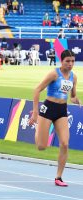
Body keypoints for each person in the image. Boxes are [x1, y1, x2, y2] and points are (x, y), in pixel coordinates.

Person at [29, 50, 80, 187]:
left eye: (72, 61)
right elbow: (36, 90)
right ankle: (38, 128)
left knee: (65, 143)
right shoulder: (54, 74)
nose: (70, 64)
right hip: (48, 108)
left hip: (62, 110)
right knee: (41, 146)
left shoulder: (73, 77)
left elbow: (72, 95)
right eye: (67, 61)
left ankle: (59, 177)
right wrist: (35, 113)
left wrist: (76, 100)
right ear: (61, 61)